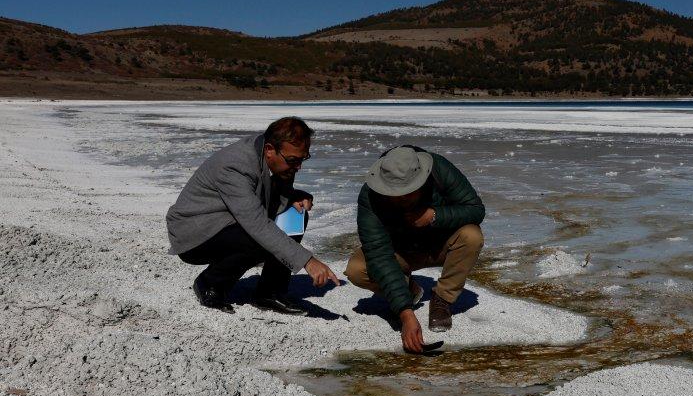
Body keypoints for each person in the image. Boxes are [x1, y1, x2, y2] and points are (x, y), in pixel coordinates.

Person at [166, 116, 341, 314]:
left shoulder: (278, 157)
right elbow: (256, 223)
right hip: (195, 232)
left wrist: (293, 196)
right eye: (293, 160)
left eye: (303, 159)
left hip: (229, 220)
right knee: (256, 238)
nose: (298, 167)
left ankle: (270, 293)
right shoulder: (235, 165)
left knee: (295, 215)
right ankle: (210, 283)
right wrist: (308, 261)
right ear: (269, 150)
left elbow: (268, 195)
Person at [345, 144, 484, 352]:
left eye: (407, 193)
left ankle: (442, 299)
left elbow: (475, 209)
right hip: (401, 251)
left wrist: (434, 216)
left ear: (422, 180)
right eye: (394, 194)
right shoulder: (370, 195)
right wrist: (406, 313)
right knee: (357, 269)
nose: (401, 199)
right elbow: (378, 253)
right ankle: (409, 291)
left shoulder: (440, 170)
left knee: (471, 235)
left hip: (441, 244)